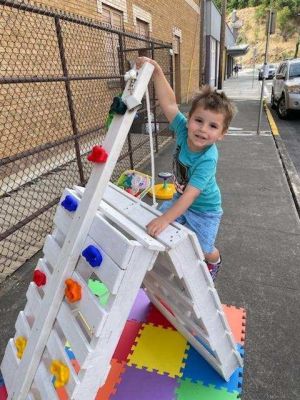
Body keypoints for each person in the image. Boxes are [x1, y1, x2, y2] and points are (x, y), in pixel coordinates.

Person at [136, 57, 236, 280]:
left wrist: (165, 219)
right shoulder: (182, 130)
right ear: (189, 119)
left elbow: (190, 196)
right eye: (198, 120)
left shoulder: (208, 158)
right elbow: (169, 104)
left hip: (205, 210)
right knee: (154, 229)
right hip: (179, 199)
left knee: (202, 248)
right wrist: (158, 73)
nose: (202, 129)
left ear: (221, 134)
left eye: (212, 126)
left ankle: (215, 260)